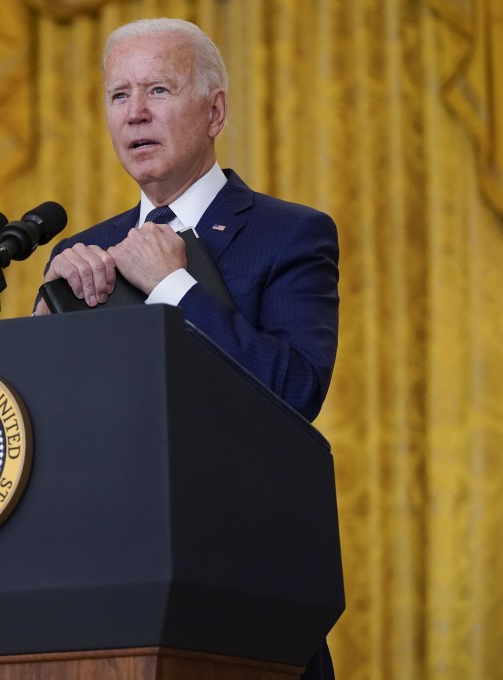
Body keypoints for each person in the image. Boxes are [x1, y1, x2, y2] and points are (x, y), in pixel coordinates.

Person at [35, 18, 339, 678]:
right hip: (106, 592)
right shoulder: (80, 255)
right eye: (119, 95)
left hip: (239, 595)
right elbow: (56, 429)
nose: (135, 113)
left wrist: (173, 283)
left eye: (159, 90)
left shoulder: (291, 236)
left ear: (215, 109)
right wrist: (44, 324)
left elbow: (295, 392)